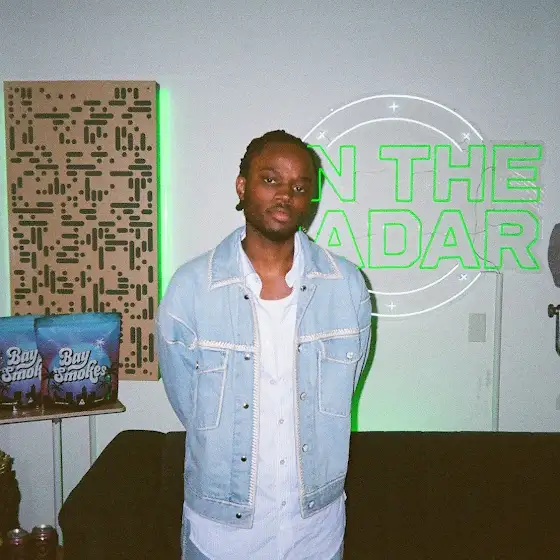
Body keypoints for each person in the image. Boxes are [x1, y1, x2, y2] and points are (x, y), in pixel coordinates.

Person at [156, 130, 372, 559]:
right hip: (221, 535)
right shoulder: (191, 288)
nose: (285, 195)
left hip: (316, 532)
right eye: (270, 180)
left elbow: (349, 381)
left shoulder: (346, 286)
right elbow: (187, 402)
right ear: (242, 186)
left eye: (300, 187)